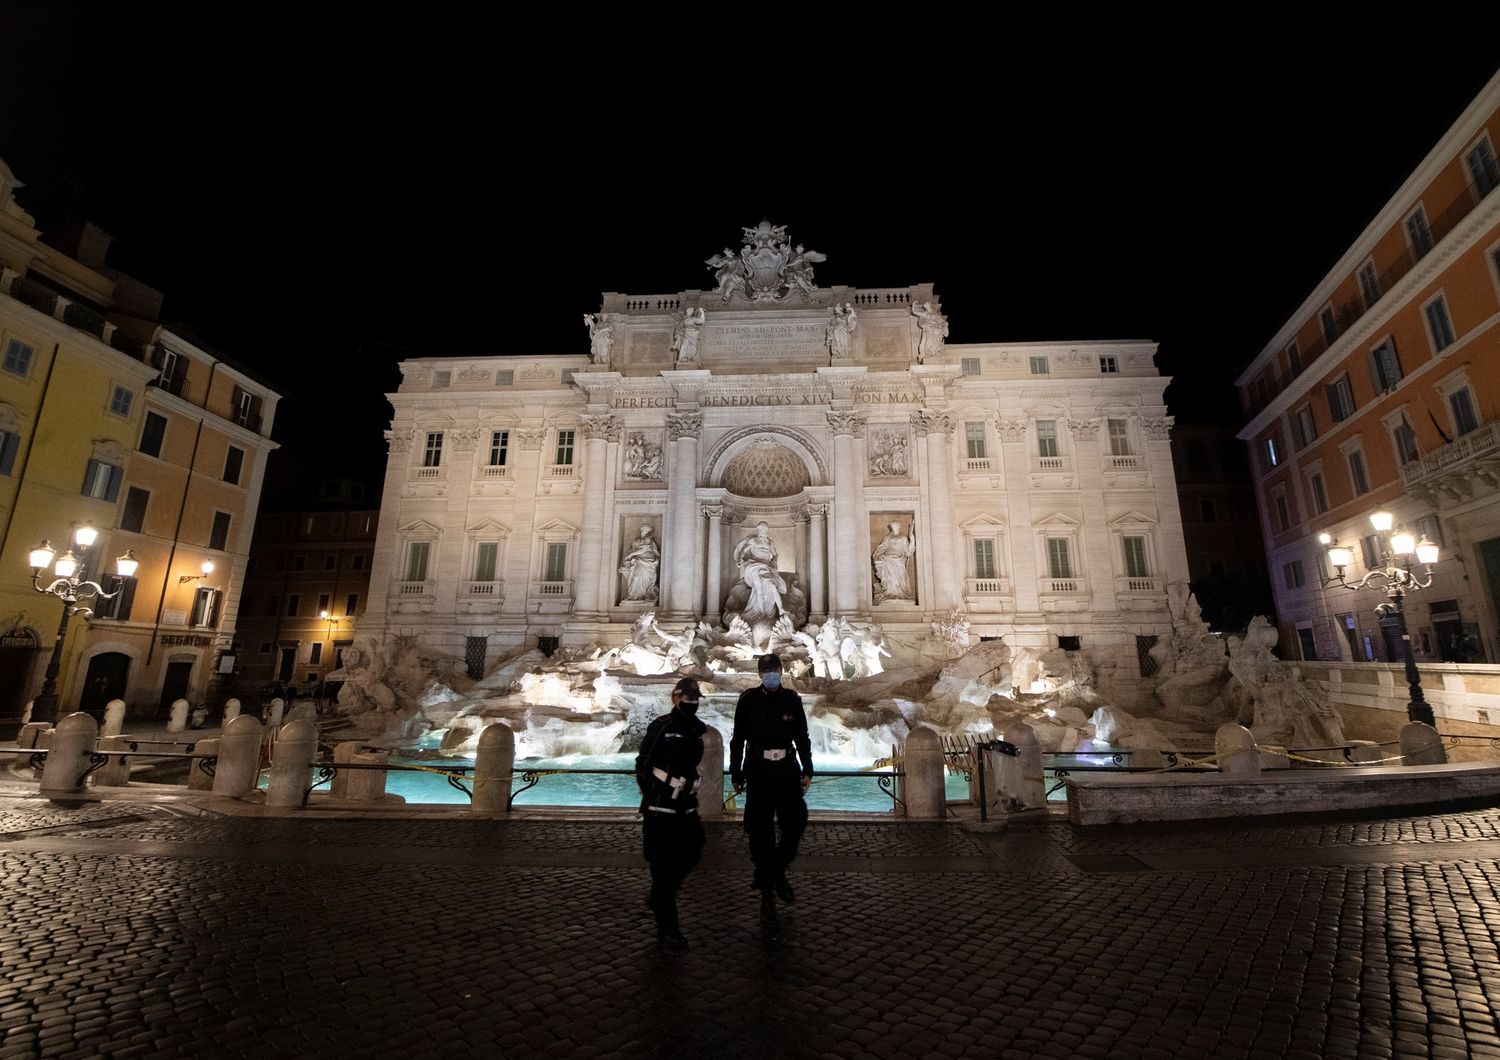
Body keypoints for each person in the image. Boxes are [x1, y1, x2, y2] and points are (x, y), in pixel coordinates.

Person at [730, 653, 813, 925]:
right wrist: (736, 771)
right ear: (759, 674)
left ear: (781, 670)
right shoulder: (748, 701)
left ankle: (775, 871)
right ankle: (767, 888)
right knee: (759, 829)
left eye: (774, 670)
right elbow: (737, 739)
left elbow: (802, 737)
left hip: (787, 768)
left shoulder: (792, 700)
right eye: (766, 671)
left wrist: (808, 769)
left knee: (796, 821)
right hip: (759, 770)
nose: (770, 674)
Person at [635, 677, 708, 949]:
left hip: (686, 807)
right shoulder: (662, 726)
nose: (691, 702)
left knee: (695, 848)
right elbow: (643, 761)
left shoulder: (697, 729)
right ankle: (669, 929)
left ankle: (659, 897)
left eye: (695, 697)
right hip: (660, 808)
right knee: (662, 866)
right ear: (675, 698)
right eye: (686, 697)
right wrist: (649, 791)